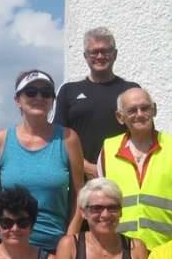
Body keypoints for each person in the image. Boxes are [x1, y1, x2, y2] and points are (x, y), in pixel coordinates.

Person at [0, 70, 85, 253]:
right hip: (4, 245)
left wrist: (70, 241)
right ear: (17, 99)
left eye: (46, 93)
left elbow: (79, 194)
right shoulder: (0, 140)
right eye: (31, 92)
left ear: (52, 100)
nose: (39, 97)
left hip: (52, 247)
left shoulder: (68, 139)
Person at [99, 87, 172, 250]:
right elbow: (100, 200)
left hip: (165, 248)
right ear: (120, 117)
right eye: (132, 110)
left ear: (154, 110)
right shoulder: (108, 149)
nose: (140, 114)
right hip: (121, 250)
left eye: (145, 108)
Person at [53, 27, 138, 179]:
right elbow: (58, 138)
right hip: (79, 177)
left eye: (106, 51)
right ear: (85, 56)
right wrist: (85, 166)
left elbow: (141, 134)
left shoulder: (130, 91)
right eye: (94, 52)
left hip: (122, 174)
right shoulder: (68, 91)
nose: (100, 56)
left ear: (115, 55)